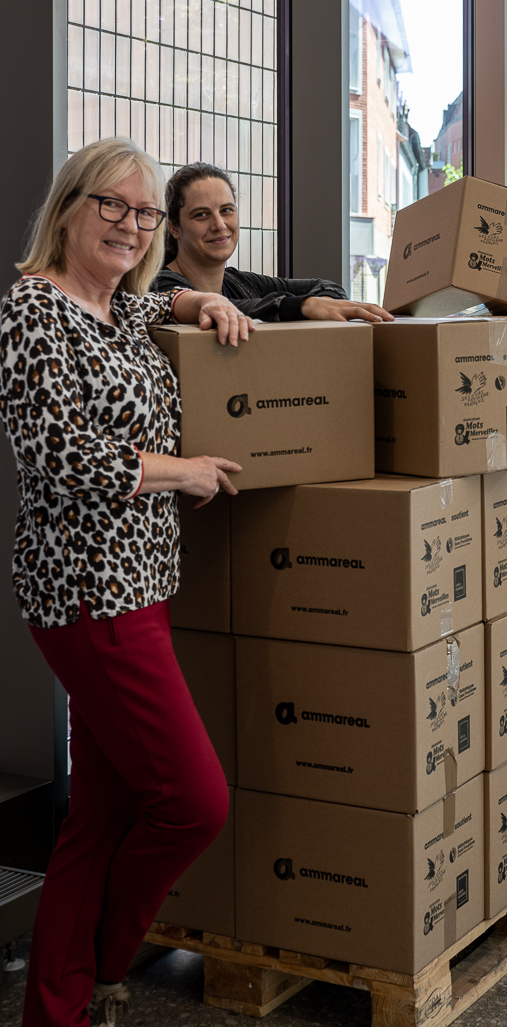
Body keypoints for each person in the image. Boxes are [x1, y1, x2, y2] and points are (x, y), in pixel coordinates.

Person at [0, 137, 255, 1026]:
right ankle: (107, 958)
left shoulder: (124, 311)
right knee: (194, 802)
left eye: (145, 213)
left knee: (100, 818)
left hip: (143, 588)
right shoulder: (36, 311)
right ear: (70, 205)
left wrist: (205, 302)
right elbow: (55, 451)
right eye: (114, 205)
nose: (131, 224)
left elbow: (179, 294)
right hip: (88, 595)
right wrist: (180, 472)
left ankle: (66, 1001)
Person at [154, 161, 394, 323]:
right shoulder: (159, 286)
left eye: (227, 210)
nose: (219, 224)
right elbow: (222, 309)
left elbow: (327, 286)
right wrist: (301, 307)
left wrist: (321, 305)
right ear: (174, 227)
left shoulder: (240, 283)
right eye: (201, 215)